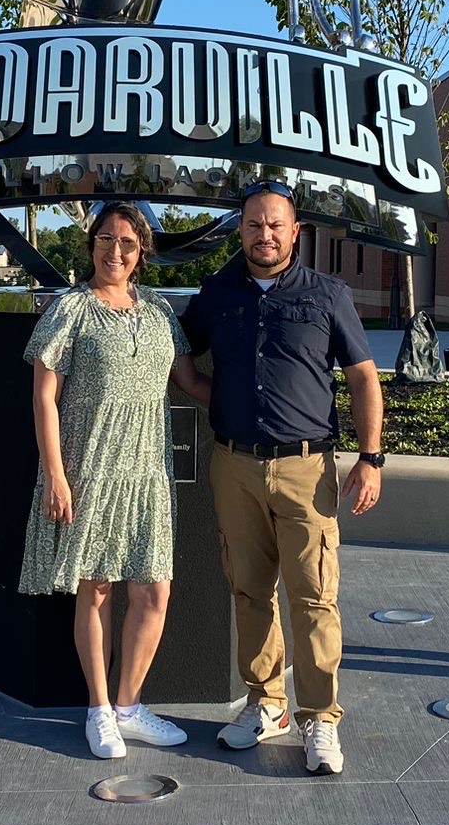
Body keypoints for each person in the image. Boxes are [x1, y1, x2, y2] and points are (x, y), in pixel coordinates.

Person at [181, 180, 384, 776]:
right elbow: (181, 358)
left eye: (275, 225)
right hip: (234, 465)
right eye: (253, 224)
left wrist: (370, 459)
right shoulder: (217, 294)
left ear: (295, 232)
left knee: (314, 597)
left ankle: (319, 717)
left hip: (306, 469)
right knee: (249, 591)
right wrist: (208, 397)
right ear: (239, 230)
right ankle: (265, 704)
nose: (264, 235)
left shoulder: (327, 294)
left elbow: (364, 378)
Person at [20, 203, 212, 760]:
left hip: (150, 468)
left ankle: (129, 707)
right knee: (97, 586)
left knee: (154, 590)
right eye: (105, 239)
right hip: (91, 465)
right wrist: (56, 475)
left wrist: (258, 405)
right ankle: (99, 710)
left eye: (127, 242)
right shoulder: (70, 310)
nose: (115, 250)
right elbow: (44, 396)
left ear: (141, 252)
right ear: (91, 246)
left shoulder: (157, 312)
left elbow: (190, 381)